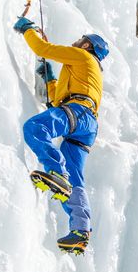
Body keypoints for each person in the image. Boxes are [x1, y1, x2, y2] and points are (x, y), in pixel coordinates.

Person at [12, 15, 109, 254]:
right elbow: (57, 101)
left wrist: (28, 30)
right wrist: (50, 78)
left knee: (35, 128)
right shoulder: (86, 69)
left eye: (81, 39)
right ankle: (80, 230)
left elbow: (42, 48)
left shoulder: (83, 56)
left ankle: (56, 173)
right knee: (75, 177)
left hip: (79, 111)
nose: (76, 41)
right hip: (87, 123)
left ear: (88, 45)